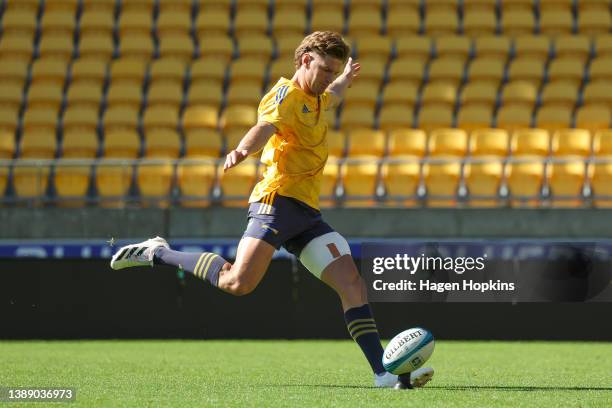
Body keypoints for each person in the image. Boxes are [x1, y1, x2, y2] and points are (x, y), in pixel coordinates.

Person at [111, 31, 433, 389]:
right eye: (325, 69)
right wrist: (241, 150)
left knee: (352, 283)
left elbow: (335, 96)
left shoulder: (319, 98)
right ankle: (159, 252)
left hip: (308, 213)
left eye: (333, 71)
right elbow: (263, 127)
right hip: (275, 203)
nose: (328, 77)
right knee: (237, 282)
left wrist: (343, 80)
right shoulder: (285, 96)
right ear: (305, 60)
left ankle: (382, 374)